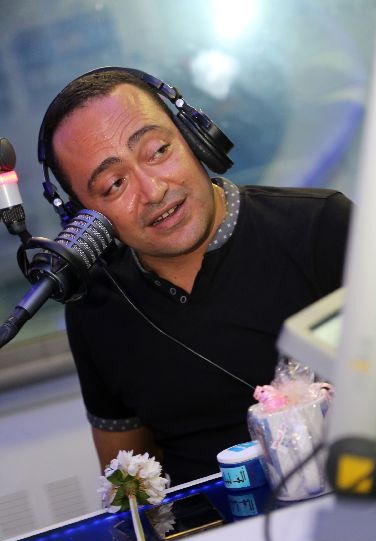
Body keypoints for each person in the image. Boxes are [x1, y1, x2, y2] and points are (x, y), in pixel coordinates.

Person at [40, 68, 352, 485]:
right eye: (114, 184)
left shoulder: (321, 226)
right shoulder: (96, 304)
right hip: (207, 524)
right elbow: (128, 486)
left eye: (157, 151)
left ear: (194, 138)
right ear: (85, 219)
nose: (153, 190)